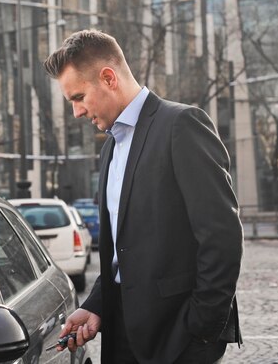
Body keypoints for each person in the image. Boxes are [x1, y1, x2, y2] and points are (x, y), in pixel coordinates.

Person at [43, 30, 243, 364]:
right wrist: (95, 305)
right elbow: (123, 252)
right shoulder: (110, 148)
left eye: (78, 97)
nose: (77, 112)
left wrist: (201, 329)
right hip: (122, 336)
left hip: (178, 340)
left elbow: (222, 238)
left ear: (108, 78)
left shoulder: (182, 124)